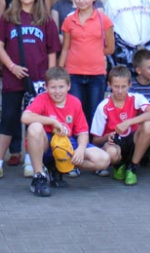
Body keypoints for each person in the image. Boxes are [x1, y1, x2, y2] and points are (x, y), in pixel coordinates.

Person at [0, 0, 60, 181]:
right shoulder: (9, 17)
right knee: (8, 119)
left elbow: (52, 51)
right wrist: (10, 66)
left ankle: (30, 161)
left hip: (38, 79)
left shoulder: (45, 20)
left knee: (33, 122)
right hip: (13, 76)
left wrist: (50, 79)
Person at [0, 0, 52, 163]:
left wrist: (50, 68)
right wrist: (5, 61)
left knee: (34, 111)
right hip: (12, 58)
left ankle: (32, 157)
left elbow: (45, 25)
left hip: (37, 65)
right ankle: (13, 152)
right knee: (10, 113)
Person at [21, 67, 111, 197]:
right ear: (46, 87)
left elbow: (83, 132)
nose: (57, 91)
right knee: (34, 127)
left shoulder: (75, 102)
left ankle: (61, 167)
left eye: (61, 87)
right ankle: (38, 176)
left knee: (103, 159)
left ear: (68, 86)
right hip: (46, 143)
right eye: (53, 87)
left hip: (66, 144)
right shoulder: (41, 99)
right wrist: (52, 122)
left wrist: (80, 149)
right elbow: (25, 117)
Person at [59, 0, 115, 125]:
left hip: (96, 74)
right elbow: (65, 47)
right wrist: (59, 71)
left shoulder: (104, 20)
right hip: (73, 73)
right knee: (75, 112)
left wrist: (93, 52)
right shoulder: (69, 21)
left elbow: (110, 47)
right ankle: (77, 145)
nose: (81, 0)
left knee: (94, 113)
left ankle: (90, 146)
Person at [90, 66, 150, 186]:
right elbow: (95, 140)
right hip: (116, 144)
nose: (120, 91)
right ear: (109, 85)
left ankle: (132, 167)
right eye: (116, 86)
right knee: (110, 152)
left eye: (123, 87)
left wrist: (128, 122)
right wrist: (108, 136)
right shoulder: (103, 106)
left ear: (130, 85)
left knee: (148, 125)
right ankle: (118, 165)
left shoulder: (136, 98)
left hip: (134, 141)